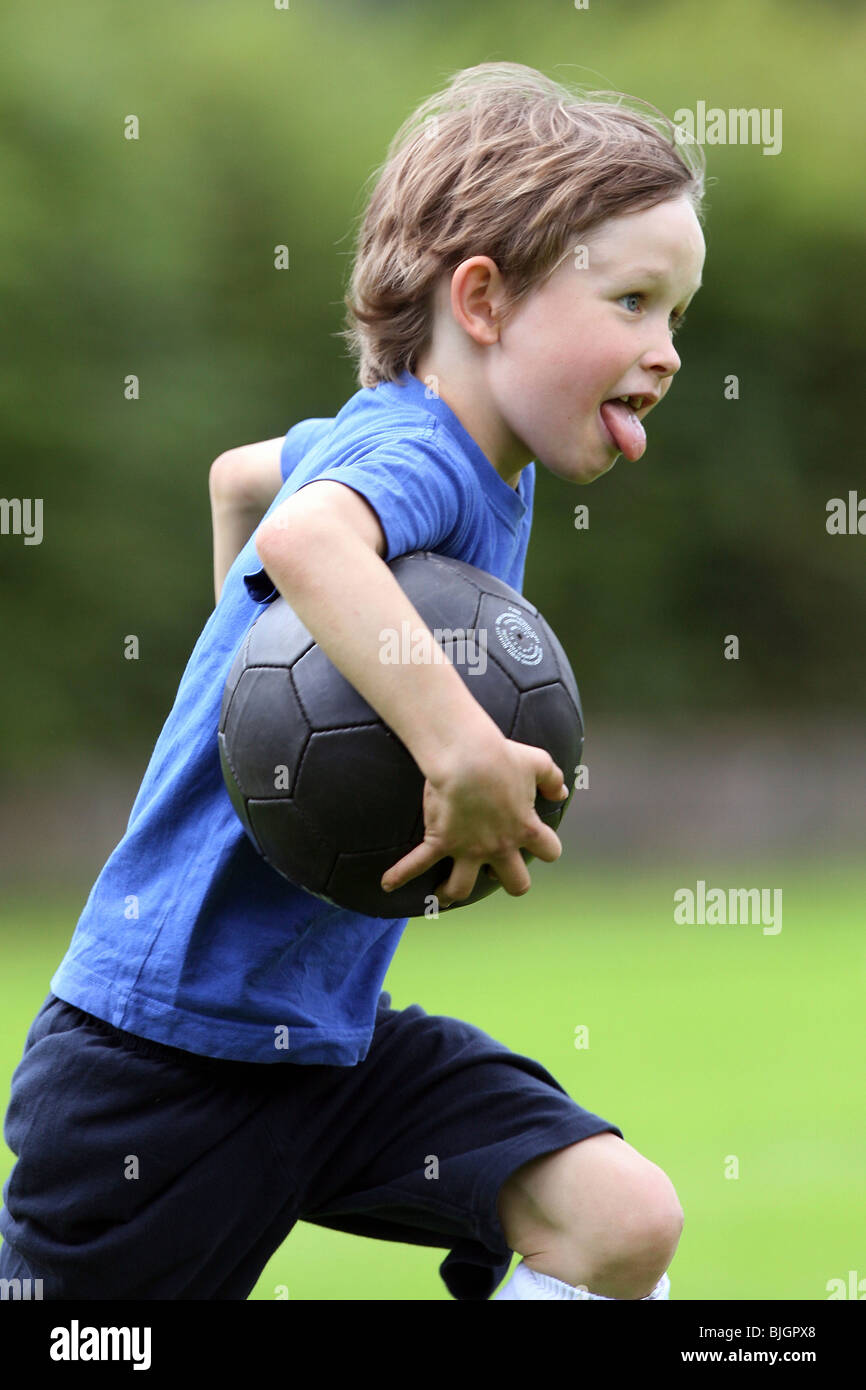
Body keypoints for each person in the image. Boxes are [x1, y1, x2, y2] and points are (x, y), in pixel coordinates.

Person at [0, 61, 706, 1302]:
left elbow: (237, 477)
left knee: (618, 1221)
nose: (663, 351)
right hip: (159, 1060)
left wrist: (251, 698)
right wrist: (460, 753)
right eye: (635, 302)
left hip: (322, 1038)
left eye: (677, 319)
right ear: (481, 299)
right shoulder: (416, 452)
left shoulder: (448, 452)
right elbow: (300, 537)